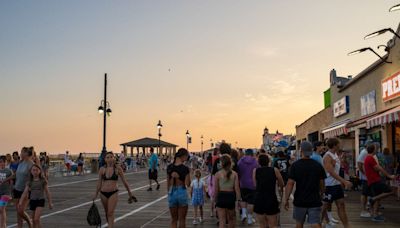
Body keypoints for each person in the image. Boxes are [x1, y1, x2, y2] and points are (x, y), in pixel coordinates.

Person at [284, 141, 326, 228]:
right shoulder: (318, 165)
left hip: (300, 200)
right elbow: (322, 183)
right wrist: (322, 194)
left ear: (301, 151)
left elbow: (290, 183)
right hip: (314, 199)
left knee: (299, 224)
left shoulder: (295, 166)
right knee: (315, 223)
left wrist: (286, 199)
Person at [93, 152, 137, 228]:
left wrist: (130, 193)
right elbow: (99, 183)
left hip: (113, 193)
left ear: (114, 158)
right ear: (105, 159)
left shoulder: (118, 169)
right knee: (107, 213)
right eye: (107, 157)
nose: (109, 159)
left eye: (111, 157)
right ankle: (110, 225)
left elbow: (124, 181)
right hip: (103, 193)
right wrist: (95, 194)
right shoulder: (102, 169)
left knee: (110, 212)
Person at [322, 138, 352, 228]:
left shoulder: (335, 154)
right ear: (335, 145)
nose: (340, 145)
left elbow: (336, 169)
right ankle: (317, 224)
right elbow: (331, 172)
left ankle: (347, 226)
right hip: (329, 185)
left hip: (336, 185)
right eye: (338, 144)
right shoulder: (327, 156)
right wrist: (344, 181)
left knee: (341, 205)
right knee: (324, 208)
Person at [364, 144, 395, 222]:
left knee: (378, 197)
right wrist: (389, 175)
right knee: (390, 191)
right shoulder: (370, 158)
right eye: (376, 148)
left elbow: (375, 169)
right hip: (375, 180)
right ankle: (372, 200)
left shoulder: (368, 157)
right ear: (373, 150)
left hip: (373, 180)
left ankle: (375, 215)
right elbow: (379, 168)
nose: (377, 149)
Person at [253, 154, 284, 228]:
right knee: (273, 225)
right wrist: (280, 189)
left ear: (259, 162)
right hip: (271, 199)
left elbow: (255, 185)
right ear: (268, 161)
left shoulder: (255, 171)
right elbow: (282, 183)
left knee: (262, 225)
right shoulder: (274, 170)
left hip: (259, 199)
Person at [214, 154, 241, 228]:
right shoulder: (235, 174)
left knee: (222, 220)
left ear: (222, 163)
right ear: (230, 162)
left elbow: (216, 189)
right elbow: (237, 188)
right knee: (231, 219)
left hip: (221, 196)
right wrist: (239, 200)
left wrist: (215, 200)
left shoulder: (218, 174)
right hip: (231, 196)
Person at [167, 148, 190, 228]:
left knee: (174, 220)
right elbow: (188, 184)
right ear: (183, 156)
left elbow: (168, 184)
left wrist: (169, 194)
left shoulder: (169, 167)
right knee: (182, 219)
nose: (187, 158)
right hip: (182, 192)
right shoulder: (185, 169)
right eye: (187, 156)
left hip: (172, 192)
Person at [14, 147, 34, 228]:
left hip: (25, 190)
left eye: (22, 152)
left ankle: (29, 223)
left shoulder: (31, 164)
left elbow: (34, 177)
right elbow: (15, 175)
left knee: (21, 210)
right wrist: (5, 180)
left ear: (26, 153)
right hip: (17, 189)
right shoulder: (21, 163)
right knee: (18, 213)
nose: (20, 154)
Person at [237, 149, 258, 225]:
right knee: (251, 202)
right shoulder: (255, 162)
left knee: (243, 200)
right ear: (252, 154)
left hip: (242, 183)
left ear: (245, 154)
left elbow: (238, 172)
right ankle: (249, 218)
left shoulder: (240, 161)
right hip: (252, 184)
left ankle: (243, 214)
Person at [357, 144, 371, 218]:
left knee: (368, 193)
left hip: (369, 177)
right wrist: (363, 173)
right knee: (364, 193)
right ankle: (363, 210)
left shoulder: (366, 152)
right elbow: (359, 163)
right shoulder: (364, 152)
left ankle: (368, 207)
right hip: (366, 177)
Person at [0, 156, 13, 228]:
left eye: (3, 162)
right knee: (1, 210)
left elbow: (12, 181)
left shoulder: (9, 171)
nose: (2, 163)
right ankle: (3, 225)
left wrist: (11, 193)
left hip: (6, 193)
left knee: (1, 209)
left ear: (6, 162)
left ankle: (2, 226)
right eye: (0, 162)